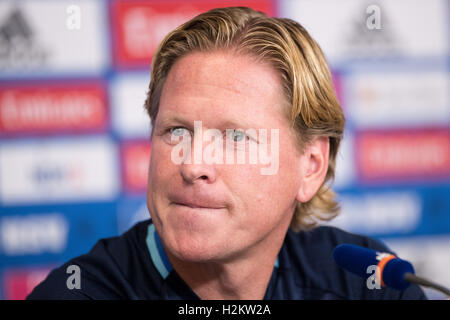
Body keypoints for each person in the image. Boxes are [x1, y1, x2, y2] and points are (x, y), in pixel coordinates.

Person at [27, 7, 426, 300]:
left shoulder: (367, 280)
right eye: (176, 131)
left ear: (310, 167)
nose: (192, 164)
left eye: (235, 137)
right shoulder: (77, 293)